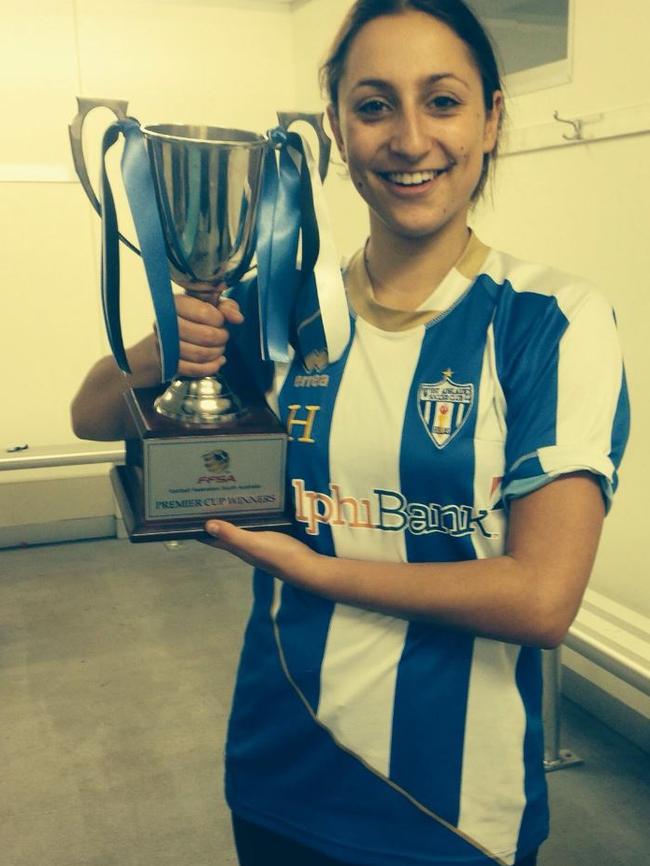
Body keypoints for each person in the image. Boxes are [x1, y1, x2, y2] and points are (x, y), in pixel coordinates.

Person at [71, 1, 630, 864]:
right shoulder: (286, 311)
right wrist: (161, 346)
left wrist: (316, 570)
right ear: (335, 129)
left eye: (442, 101)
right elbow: (92, 413)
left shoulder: (550, 321)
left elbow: (541, 598)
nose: (410, 139)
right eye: (374, 106)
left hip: (451, 814)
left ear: (491, 120)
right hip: (277, 764)